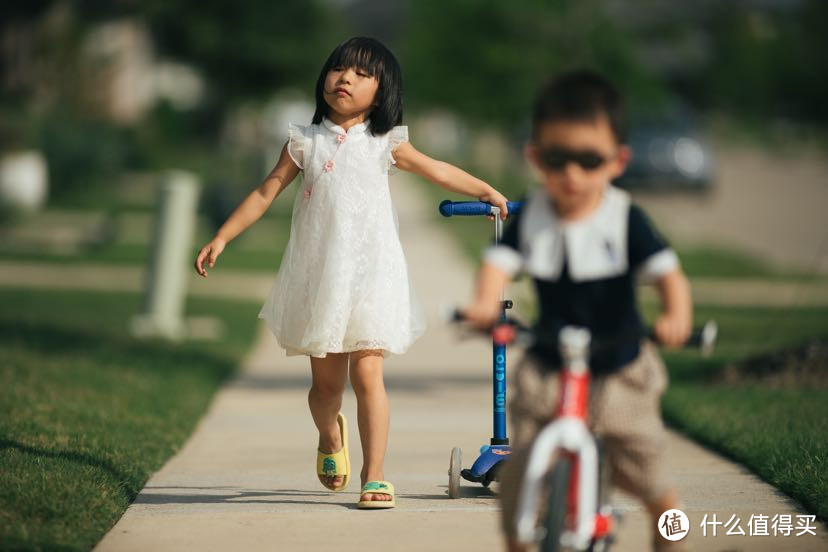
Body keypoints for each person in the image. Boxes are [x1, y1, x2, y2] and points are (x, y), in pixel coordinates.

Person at [194, 36, 509, 509]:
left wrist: (484, 189)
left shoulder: (385, 143)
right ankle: (329, 436)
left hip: (372, 275)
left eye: (362, 74)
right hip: (321, 278)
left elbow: (437, 170)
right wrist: (222, 236)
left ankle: (375, 475)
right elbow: (265, 192)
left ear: (381, 94)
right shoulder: (304, 141)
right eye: (339, 69)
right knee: (325, 389)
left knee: (369, 377)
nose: (346, 78)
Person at [462, 70, 692, 550]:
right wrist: (484, 303)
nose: (572, 174)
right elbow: (497, 266)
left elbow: (668, 274)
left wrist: (675, 315)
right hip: (550, 363)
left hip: (619, 364)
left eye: (589, 161)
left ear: (617, 162)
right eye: (557, 159)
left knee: (650, 473)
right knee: (520, 474)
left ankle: (671, 532)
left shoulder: (625, 217)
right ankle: (523, 535)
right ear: (535, 158)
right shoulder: (536, 218)